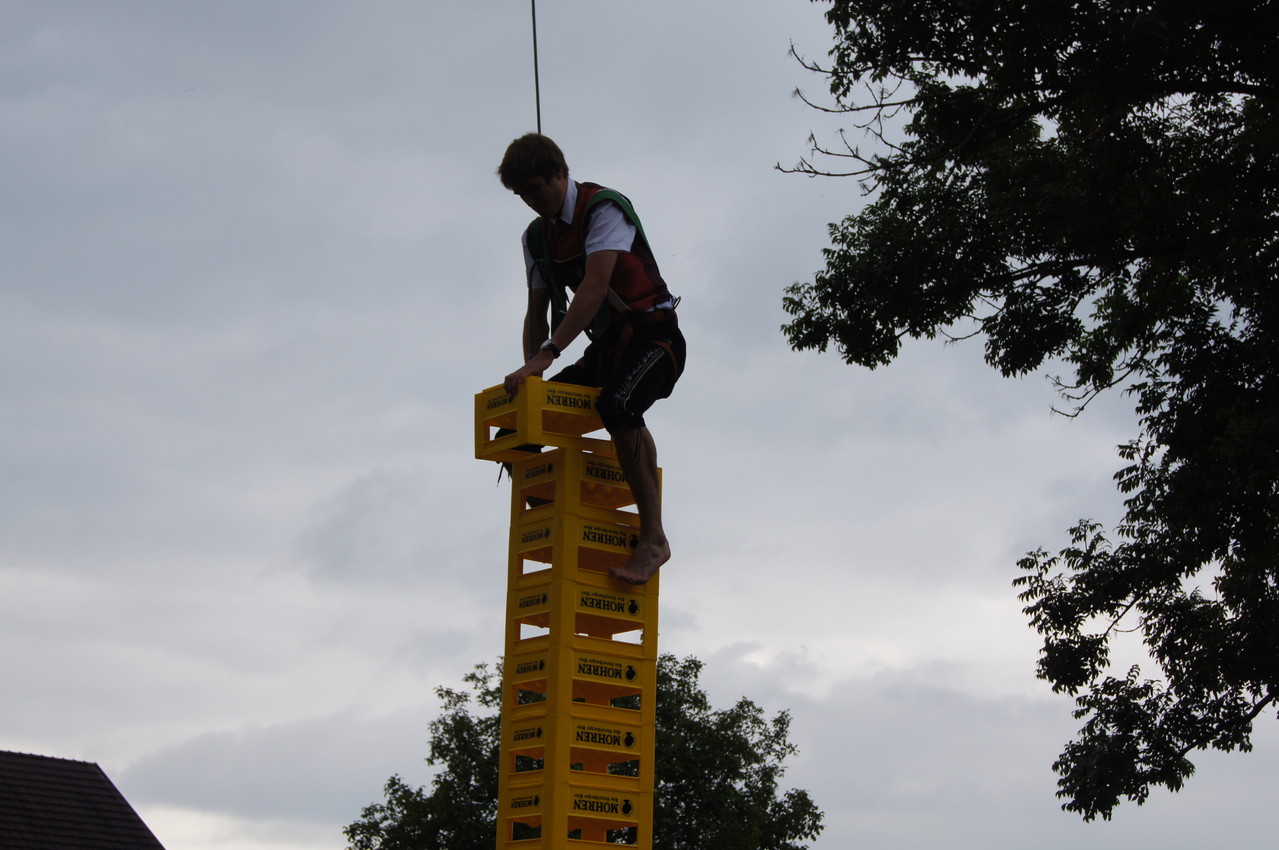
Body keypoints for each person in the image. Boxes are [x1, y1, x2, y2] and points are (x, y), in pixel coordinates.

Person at [497, 133, 686, 585]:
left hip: (654, 338)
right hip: (607, 348)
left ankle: (654, 539)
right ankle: (562, 520)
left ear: (560, 173)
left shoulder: (602, 208)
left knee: (619, 406)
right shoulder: (536, 238)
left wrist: (547, 357)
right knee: (519, 425)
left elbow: (594, 287)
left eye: (537, 190)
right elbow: (536, 312)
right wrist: (532, 378)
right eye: (521, 195)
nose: (531, 202)